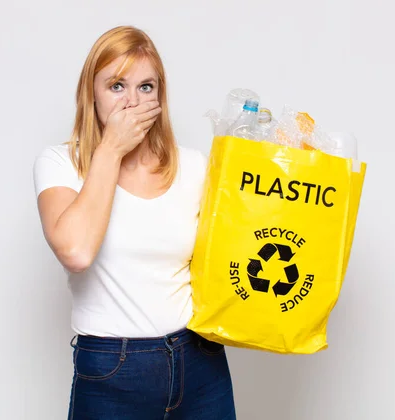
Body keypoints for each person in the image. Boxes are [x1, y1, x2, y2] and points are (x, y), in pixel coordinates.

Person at [33, 25, 236, 419]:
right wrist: (110, 148)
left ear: (160, 96)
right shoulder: (61, 164)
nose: (132, 102)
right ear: (90, 93)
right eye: (116, 86)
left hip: (200, 362)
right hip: (113, 370)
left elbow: (231, 253)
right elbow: (75, 251)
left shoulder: (193, 166)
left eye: (146, 87)